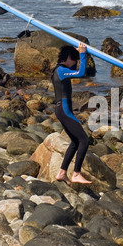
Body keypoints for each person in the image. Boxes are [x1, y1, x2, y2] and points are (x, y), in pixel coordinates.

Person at [51, 41, 92, 185]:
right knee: (84, 140)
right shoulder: (61, 70)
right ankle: (76, 174)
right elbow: (81, 72)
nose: (75, 63)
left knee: (75, 141)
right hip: (64, 109)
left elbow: (75, 69)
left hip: (61, 109)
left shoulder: (58, 70)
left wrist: (75, 52)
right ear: (68, 57)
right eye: (73, 59)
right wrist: (82, 53)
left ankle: (62, 173)